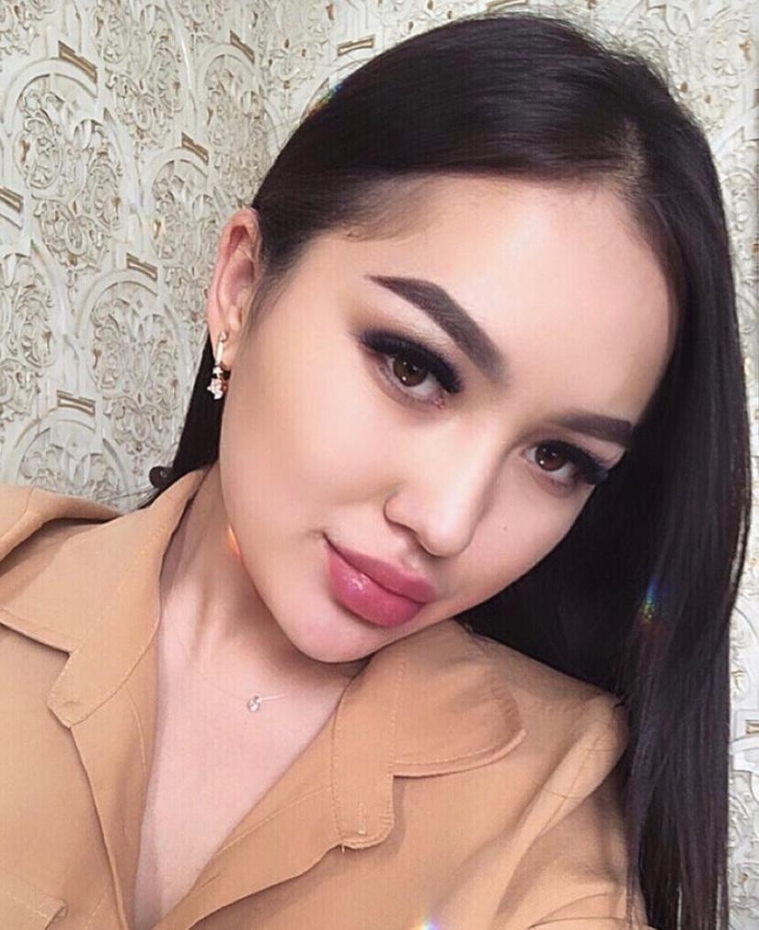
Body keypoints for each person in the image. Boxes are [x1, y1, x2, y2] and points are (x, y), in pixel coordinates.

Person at [0, 11, 750, 930]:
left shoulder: (555, 800)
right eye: (413, 366)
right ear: (241, 289)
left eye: (557, 458)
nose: (447, 522)